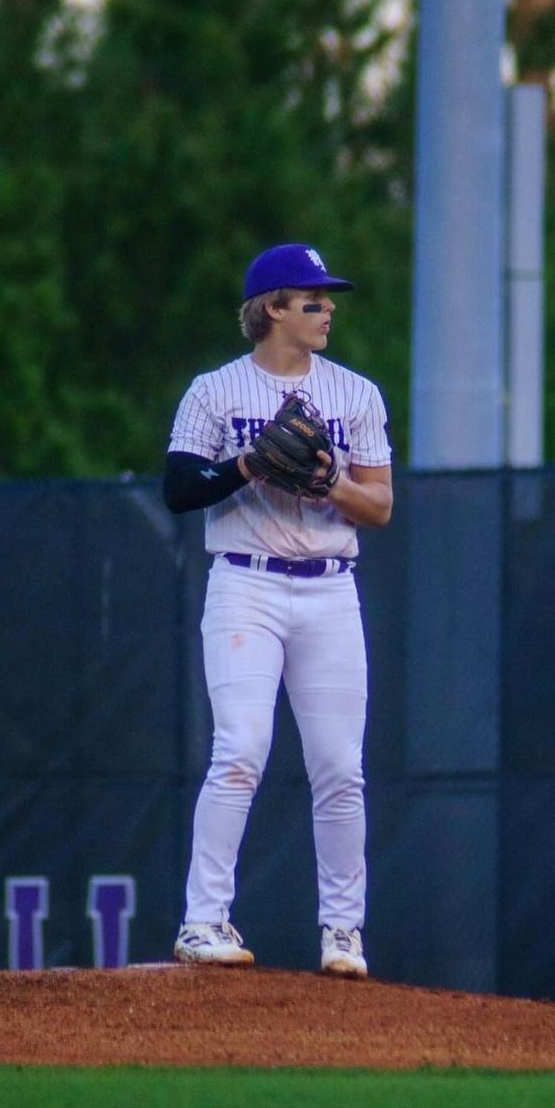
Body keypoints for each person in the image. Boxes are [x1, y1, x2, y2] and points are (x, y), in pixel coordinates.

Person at [163, 242, 393, 978]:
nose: (328, 311)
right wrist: (247, 464)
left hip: (329, 586)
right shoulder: (215, 391)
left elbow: (380, 506)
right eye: (313, 300)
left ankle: (343, 933)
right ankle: (203, 921)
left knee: (340, 767)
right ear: (272, 310)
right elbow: (179, 490)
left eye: (327, 300)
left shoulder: (356, 394)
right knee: (240, 750)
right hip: (246, 584)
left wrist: (329, 484)